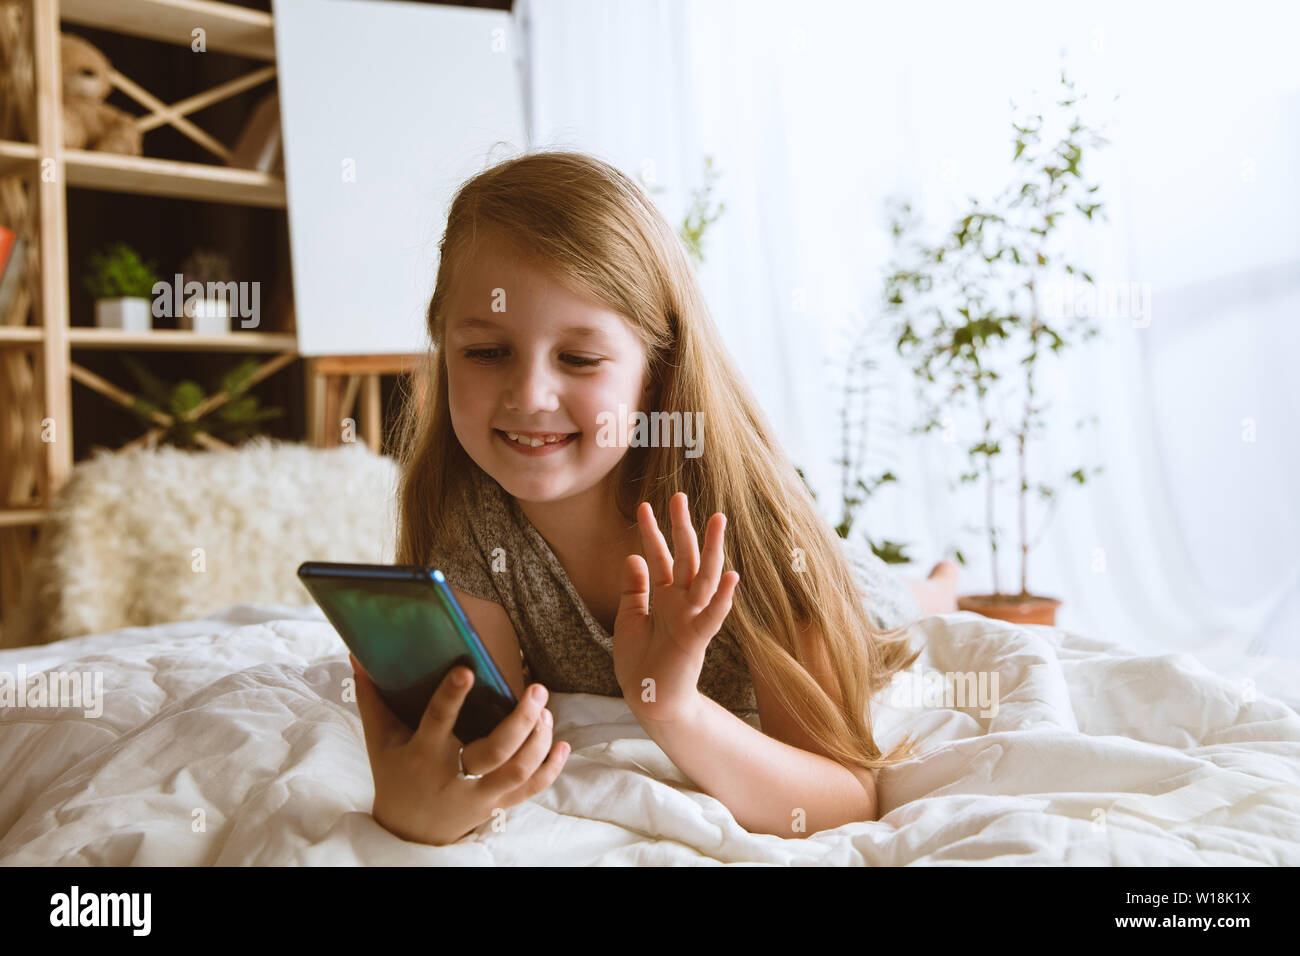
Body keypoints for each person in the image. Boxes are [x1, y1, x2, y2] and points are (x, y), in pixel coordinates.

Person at [350, 149, 948, 846]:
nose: (529, 396)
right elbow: (480, 738)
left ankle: (941, 585)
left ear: (655, 374)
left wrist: (673, 711)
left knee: (898, 612)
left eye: (578, 359)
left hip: (843, 583)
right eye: (486, 352)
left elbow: (844, 799)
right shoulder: (466, 512)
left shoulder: (743, 517)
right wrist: (413, 809)